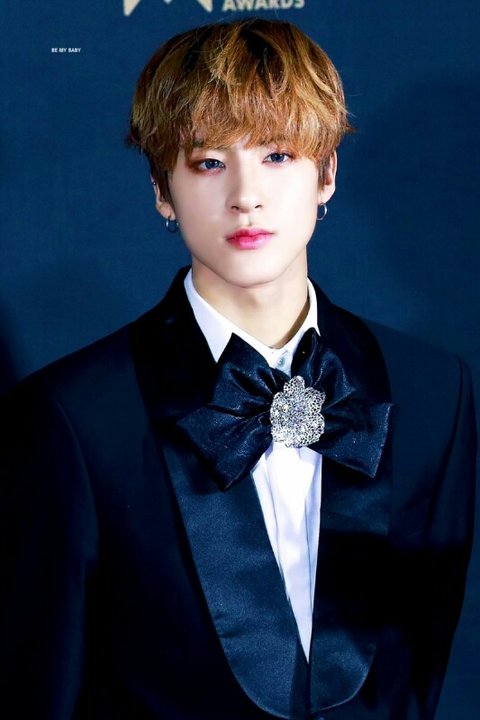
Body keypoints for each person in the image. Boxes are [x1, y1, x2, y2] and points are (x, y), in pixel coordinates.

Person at [0, 17, 476, 720]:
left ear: (327, 173)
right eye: (208, 162)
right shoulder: (74, 417)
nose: (246, 195)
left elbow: (421, 673)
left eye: (278, 154)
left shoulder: (433, 390)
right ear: (163, 190)